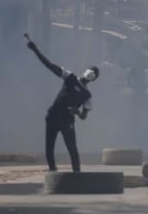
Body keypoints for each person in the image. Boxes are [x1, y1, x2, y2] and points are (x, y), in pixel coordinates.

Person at [26, 35, 99, 172]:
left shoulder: (86, 95)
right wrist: (35, 50)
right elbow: (50, 66)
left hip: (66, 121)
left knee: (71, 149)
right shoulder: (70, 78)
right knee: (50, 149)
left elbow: (84, 116)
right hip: (53, 117)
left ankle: (76, 175)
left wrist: (76, 112)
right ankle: (54, 173)